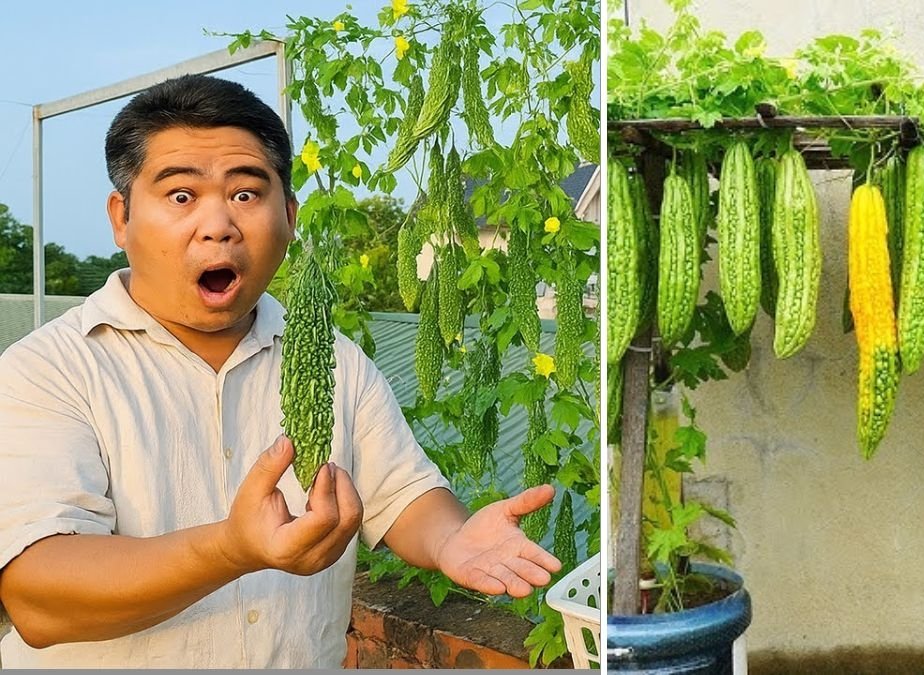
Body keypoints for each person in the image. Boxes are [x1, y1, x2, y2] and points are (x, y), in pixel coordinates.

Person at [0, 74, 561, 668]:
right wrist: (231, 548)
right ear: (122, 218)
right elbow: (38, 597)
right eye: (181, 196)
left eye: (246, 193)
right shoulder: (46, 371)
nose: (218, 224)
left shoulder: (336, 360)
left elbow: (401, 493)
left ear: (288, 216)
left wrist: (450, 537)